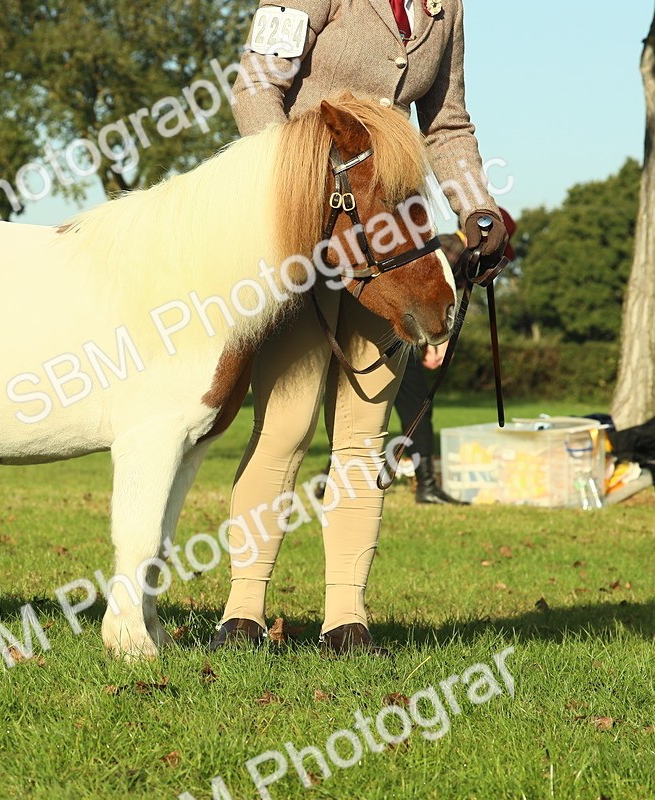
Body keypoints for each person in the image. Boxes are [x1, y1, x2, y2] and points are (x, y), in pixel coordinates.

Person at [210, 0, 509, 655]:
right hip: (309, 235)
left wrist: (477, 208)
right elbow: (257, 86)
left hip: (394, 241)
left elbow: (446, 123)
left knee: (364, 437)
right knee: (284, 428)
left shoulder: (447, 8)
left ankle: (346, 621)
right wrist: (298, 191)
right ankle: (242, 614)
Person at [398, 210, 517, 504]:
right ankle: (426, 485)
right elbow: (423, 296)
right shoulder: (449, 250)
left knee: (376, 408)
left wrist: (435, 340)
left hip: (401, 338)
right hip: (397, 340)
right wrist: (436, 339)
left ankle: (331, 479)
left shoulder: (454, 252)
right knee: (417, 407)